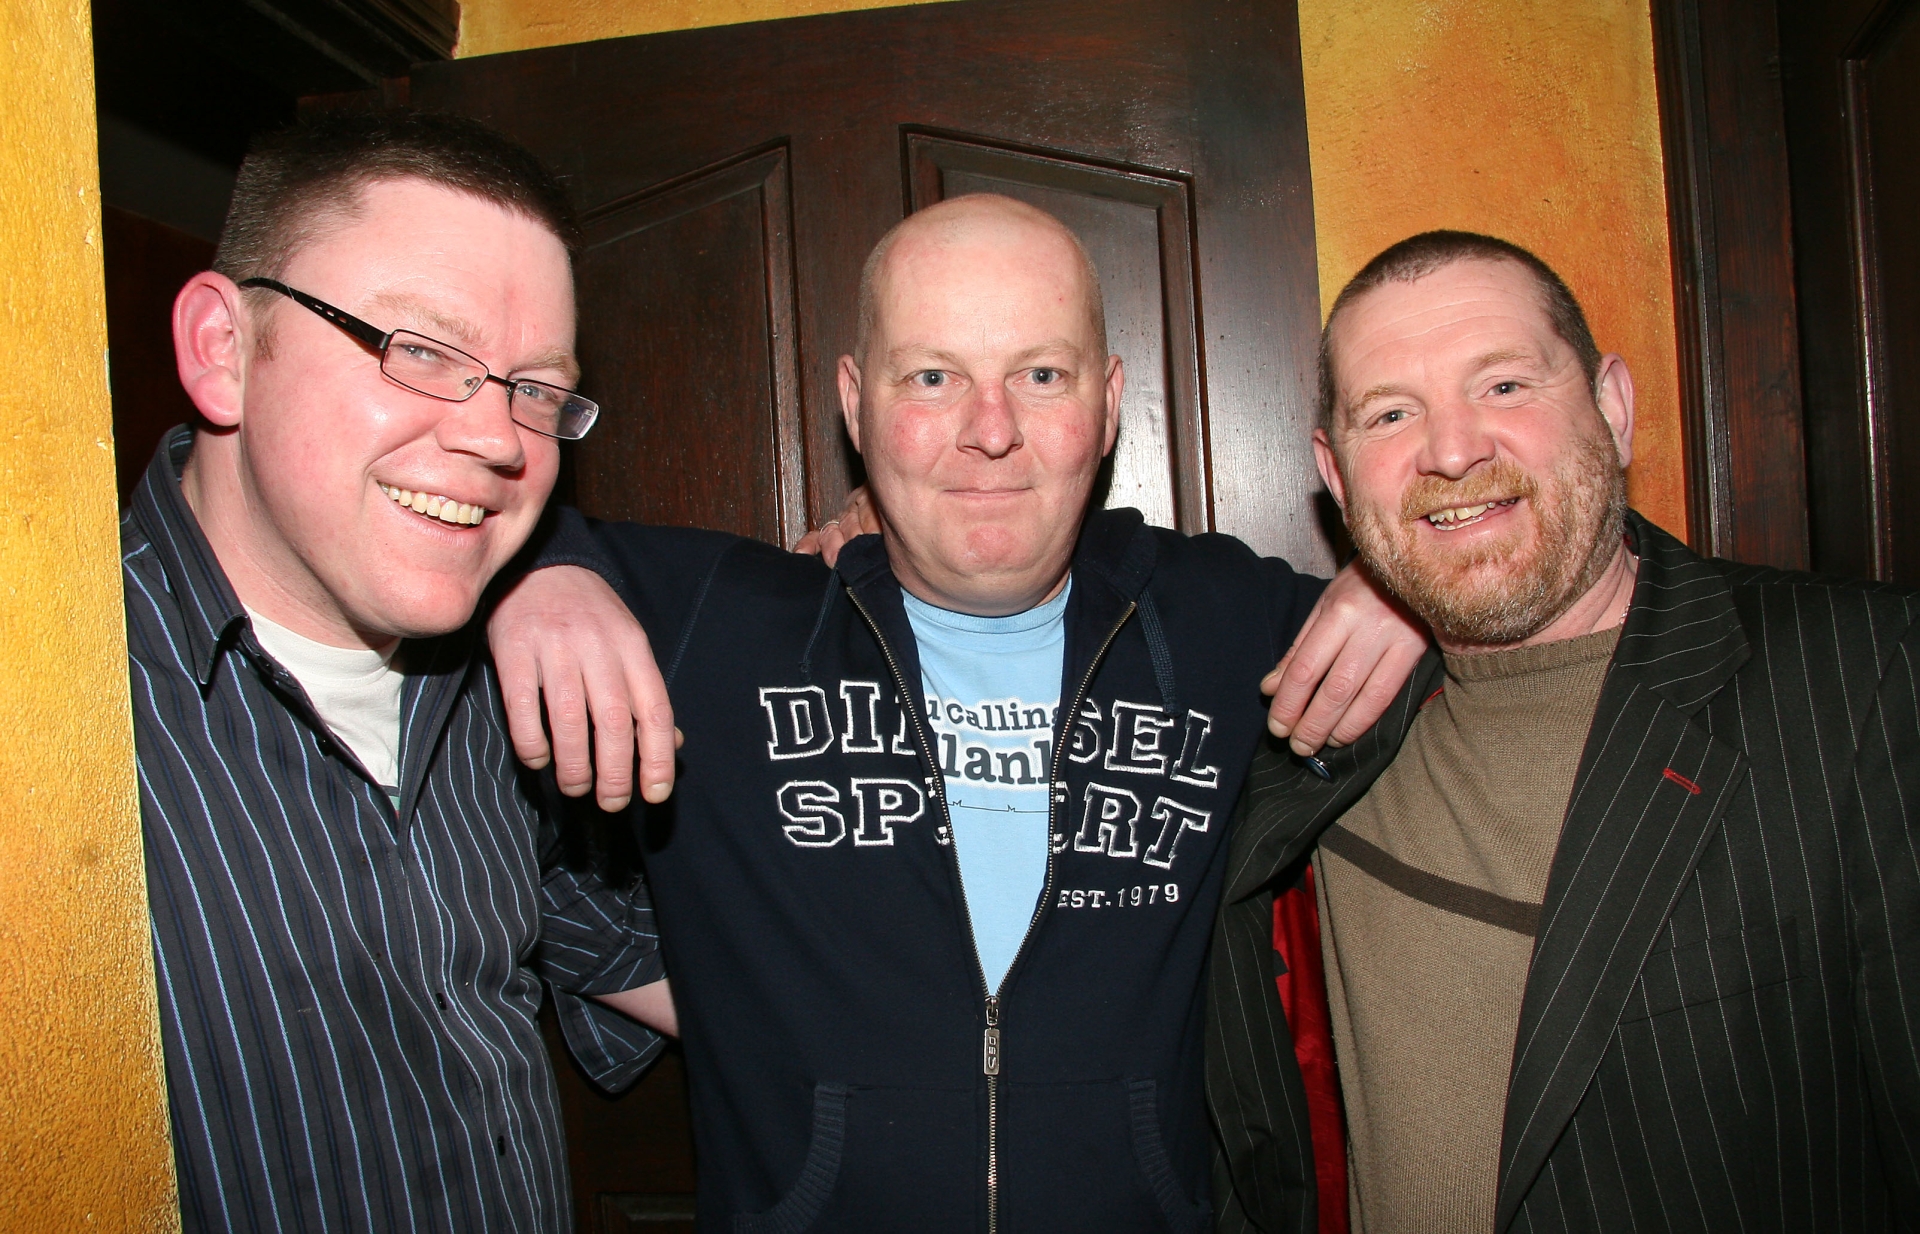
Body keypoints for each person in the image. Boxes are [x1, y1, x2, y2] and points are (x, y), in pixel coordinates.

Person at [484, 193, 1430, 1231]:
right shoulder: (717, 622)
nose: (992, 431)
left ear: (1111, 402)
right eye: (932, 377)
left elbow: (1524, 609)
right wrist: (546, 569)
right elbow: (433, 533)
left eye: (1041, 375)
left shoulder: (1225, 621)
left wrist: (1404, 585)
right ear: (856, 405)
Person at [1207, 231, 1920, 1232]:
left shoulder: (1868, 679)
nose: (1452, 450)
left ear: (1613, 408)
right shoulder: (1319, 727)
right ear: (1336, 470)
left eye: (1503, 386)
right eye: (1392, 414)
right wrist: (1391, 572)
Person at [126, 110, 674, 1233]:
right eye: (420, 351)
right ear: (224, 350)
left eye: (535, 388)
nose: (500, 439)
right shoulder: (52, 708)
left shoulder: (504, 697)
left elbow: (672, 967)